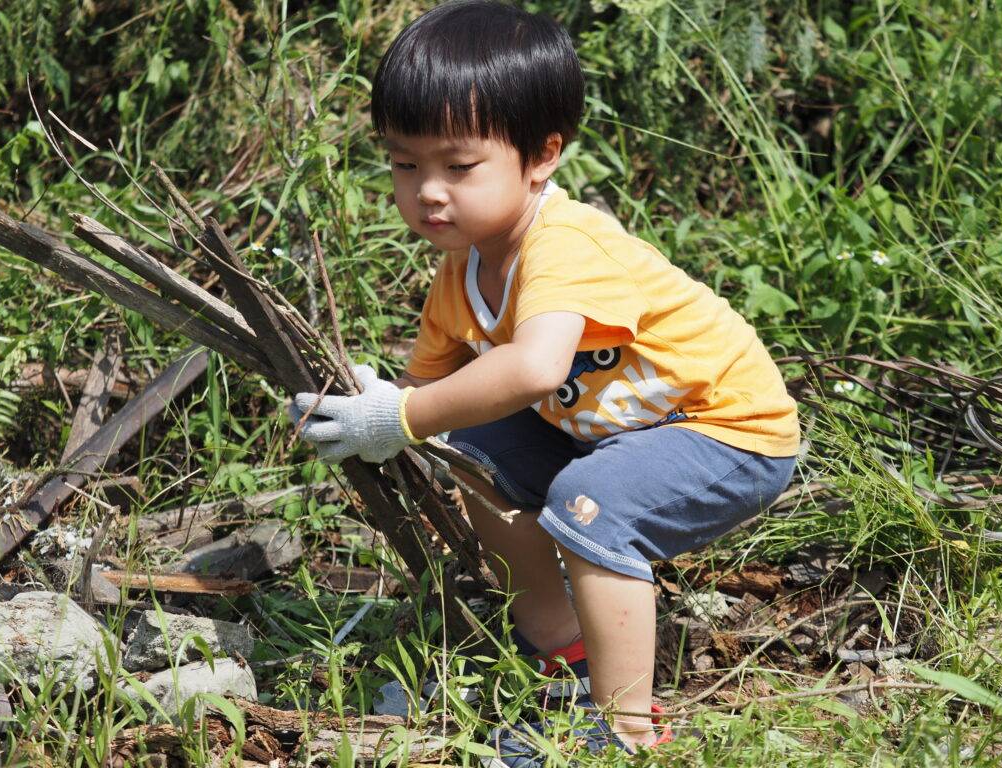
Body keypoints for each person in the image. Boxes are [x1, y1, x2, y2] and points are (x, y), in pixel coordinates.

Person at [291, 0, 799, 763]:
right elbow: (426, 396)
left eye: (459, 166)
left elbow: (532, 367)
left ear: (542, 157)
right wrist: (383, 409)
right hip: (622, 434)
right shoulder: (457, 280)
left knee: (591, 508)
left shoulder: (563, 242)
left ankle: (624, 730)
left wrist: (396, 417)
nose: (429, 190)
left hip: (727, 431)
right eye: (405, 163)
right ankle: (562, 647)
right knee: (473, 449)